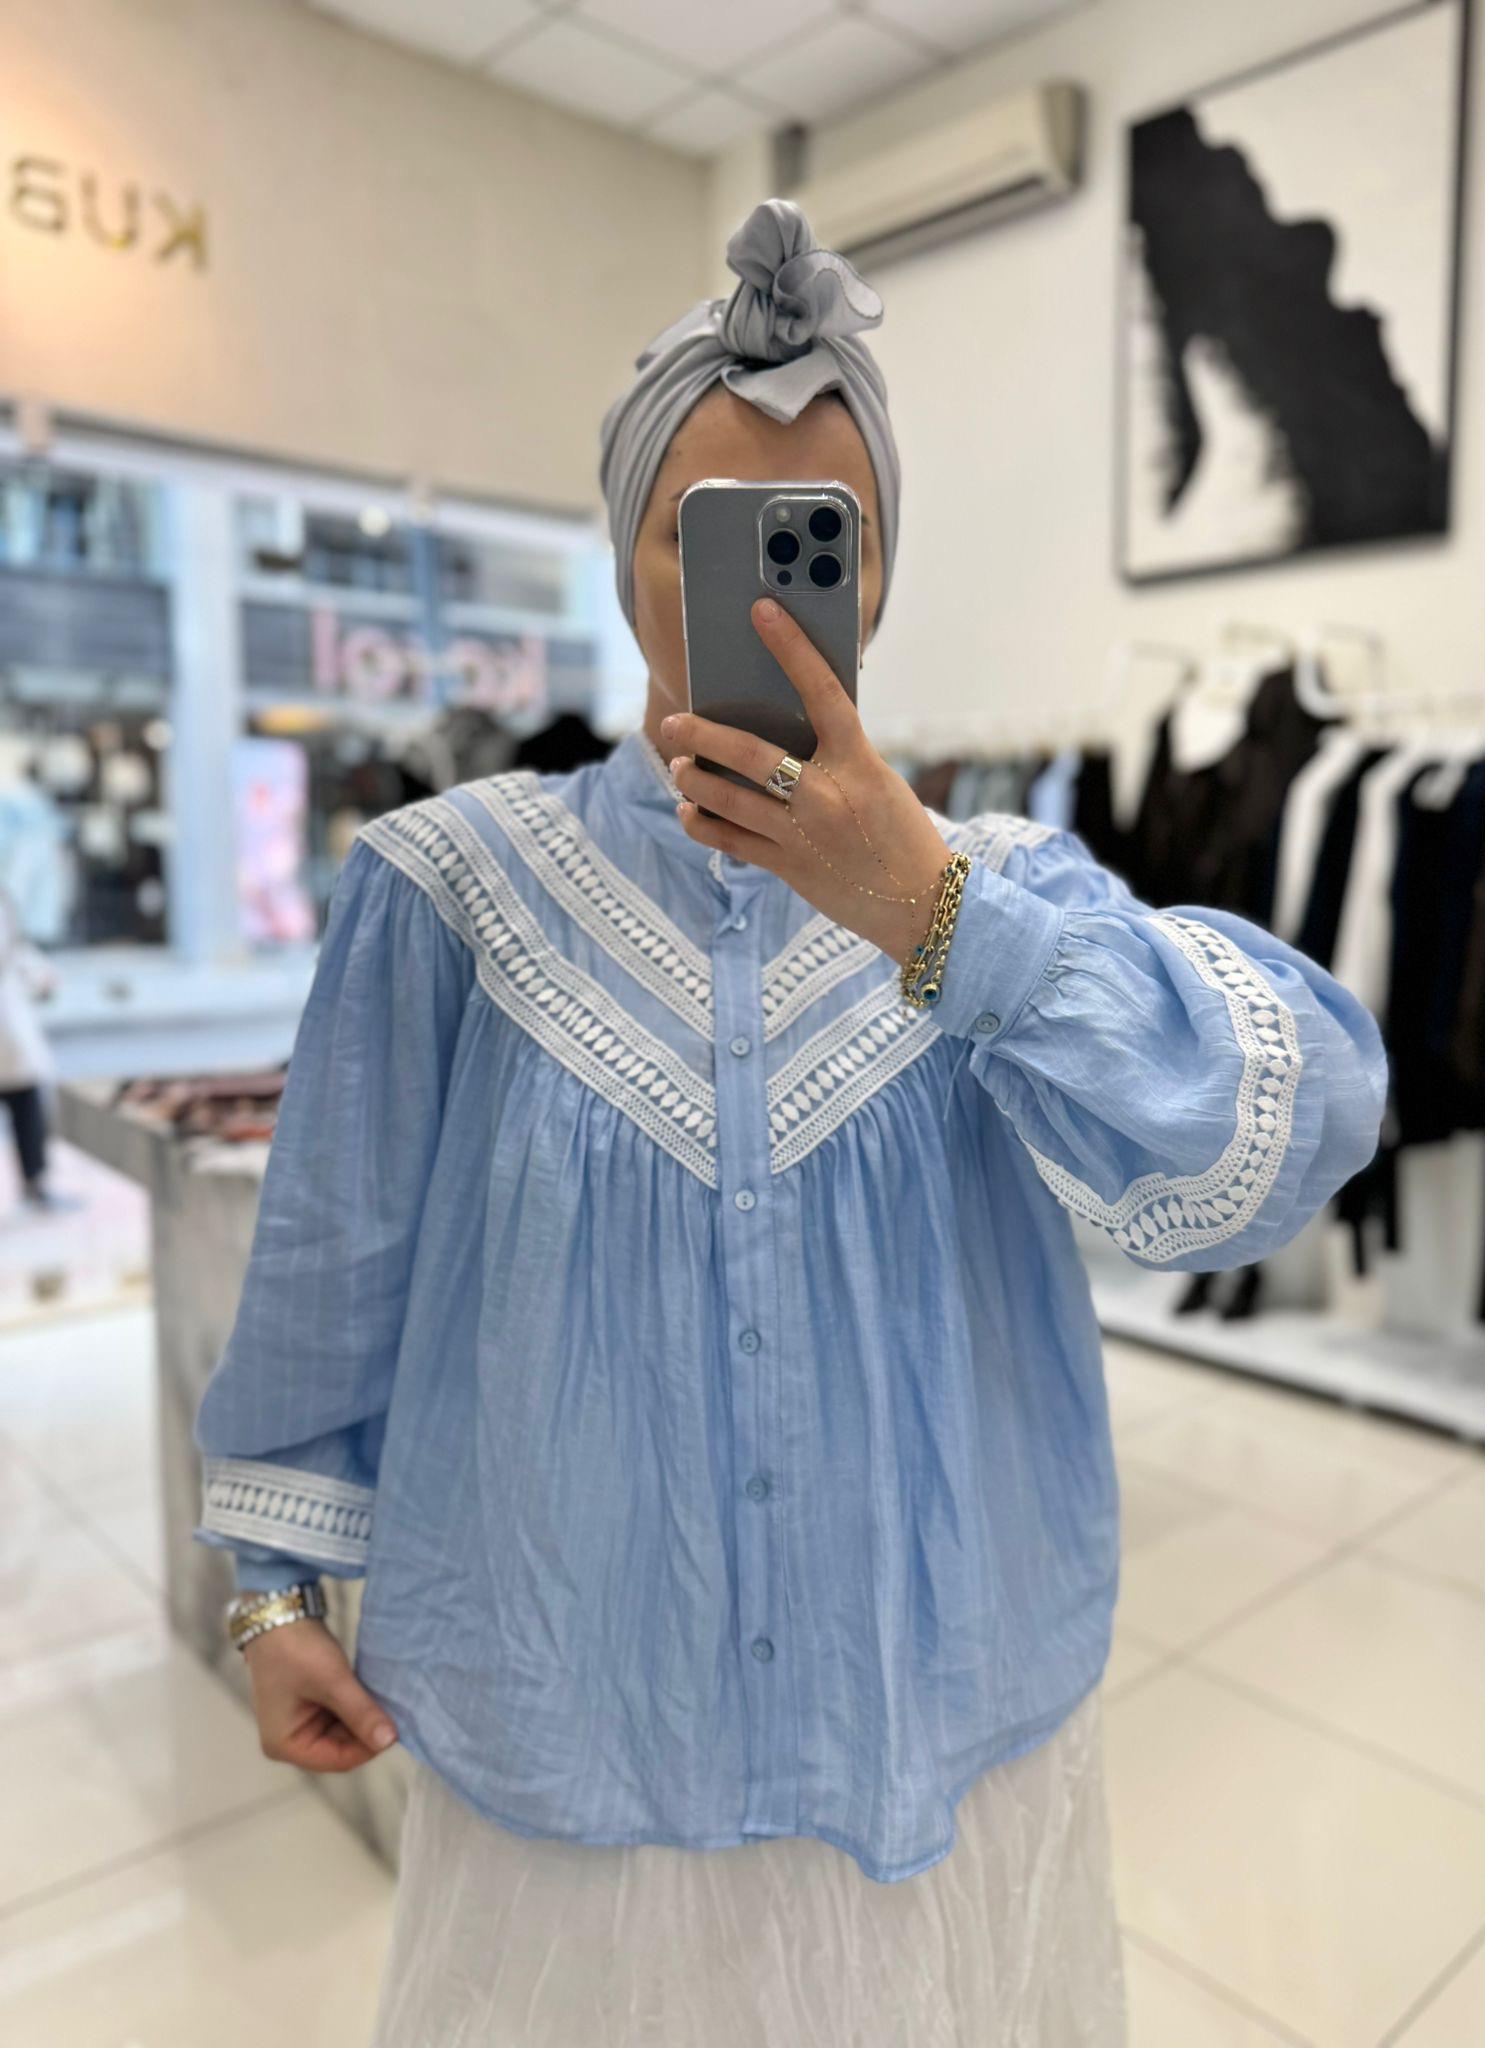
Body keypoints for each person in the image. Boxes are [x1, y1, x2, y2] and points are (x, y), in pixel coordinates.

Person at [191, 200, 1390, 2046]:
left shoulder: (1003, 888)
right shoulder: (451, 887)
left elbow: (1292, 1128)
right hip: (575, 1746)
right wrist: (272, 1594)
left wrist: (940, 918)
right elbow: (334, 1262)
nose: (753, 600)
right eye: (700, 535)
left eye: (818, 543)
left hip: (939, 1731)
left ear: (878, 578)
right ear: (623, 558)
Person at [0, 879, 76, 1213]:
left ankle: (35, 1184)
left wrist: (38, 974)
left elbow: (14, 949)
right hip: (7, 1033)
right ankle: (35, 1184)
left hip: (10, 1032)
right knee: (26, 1103)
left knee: (27, 1105)